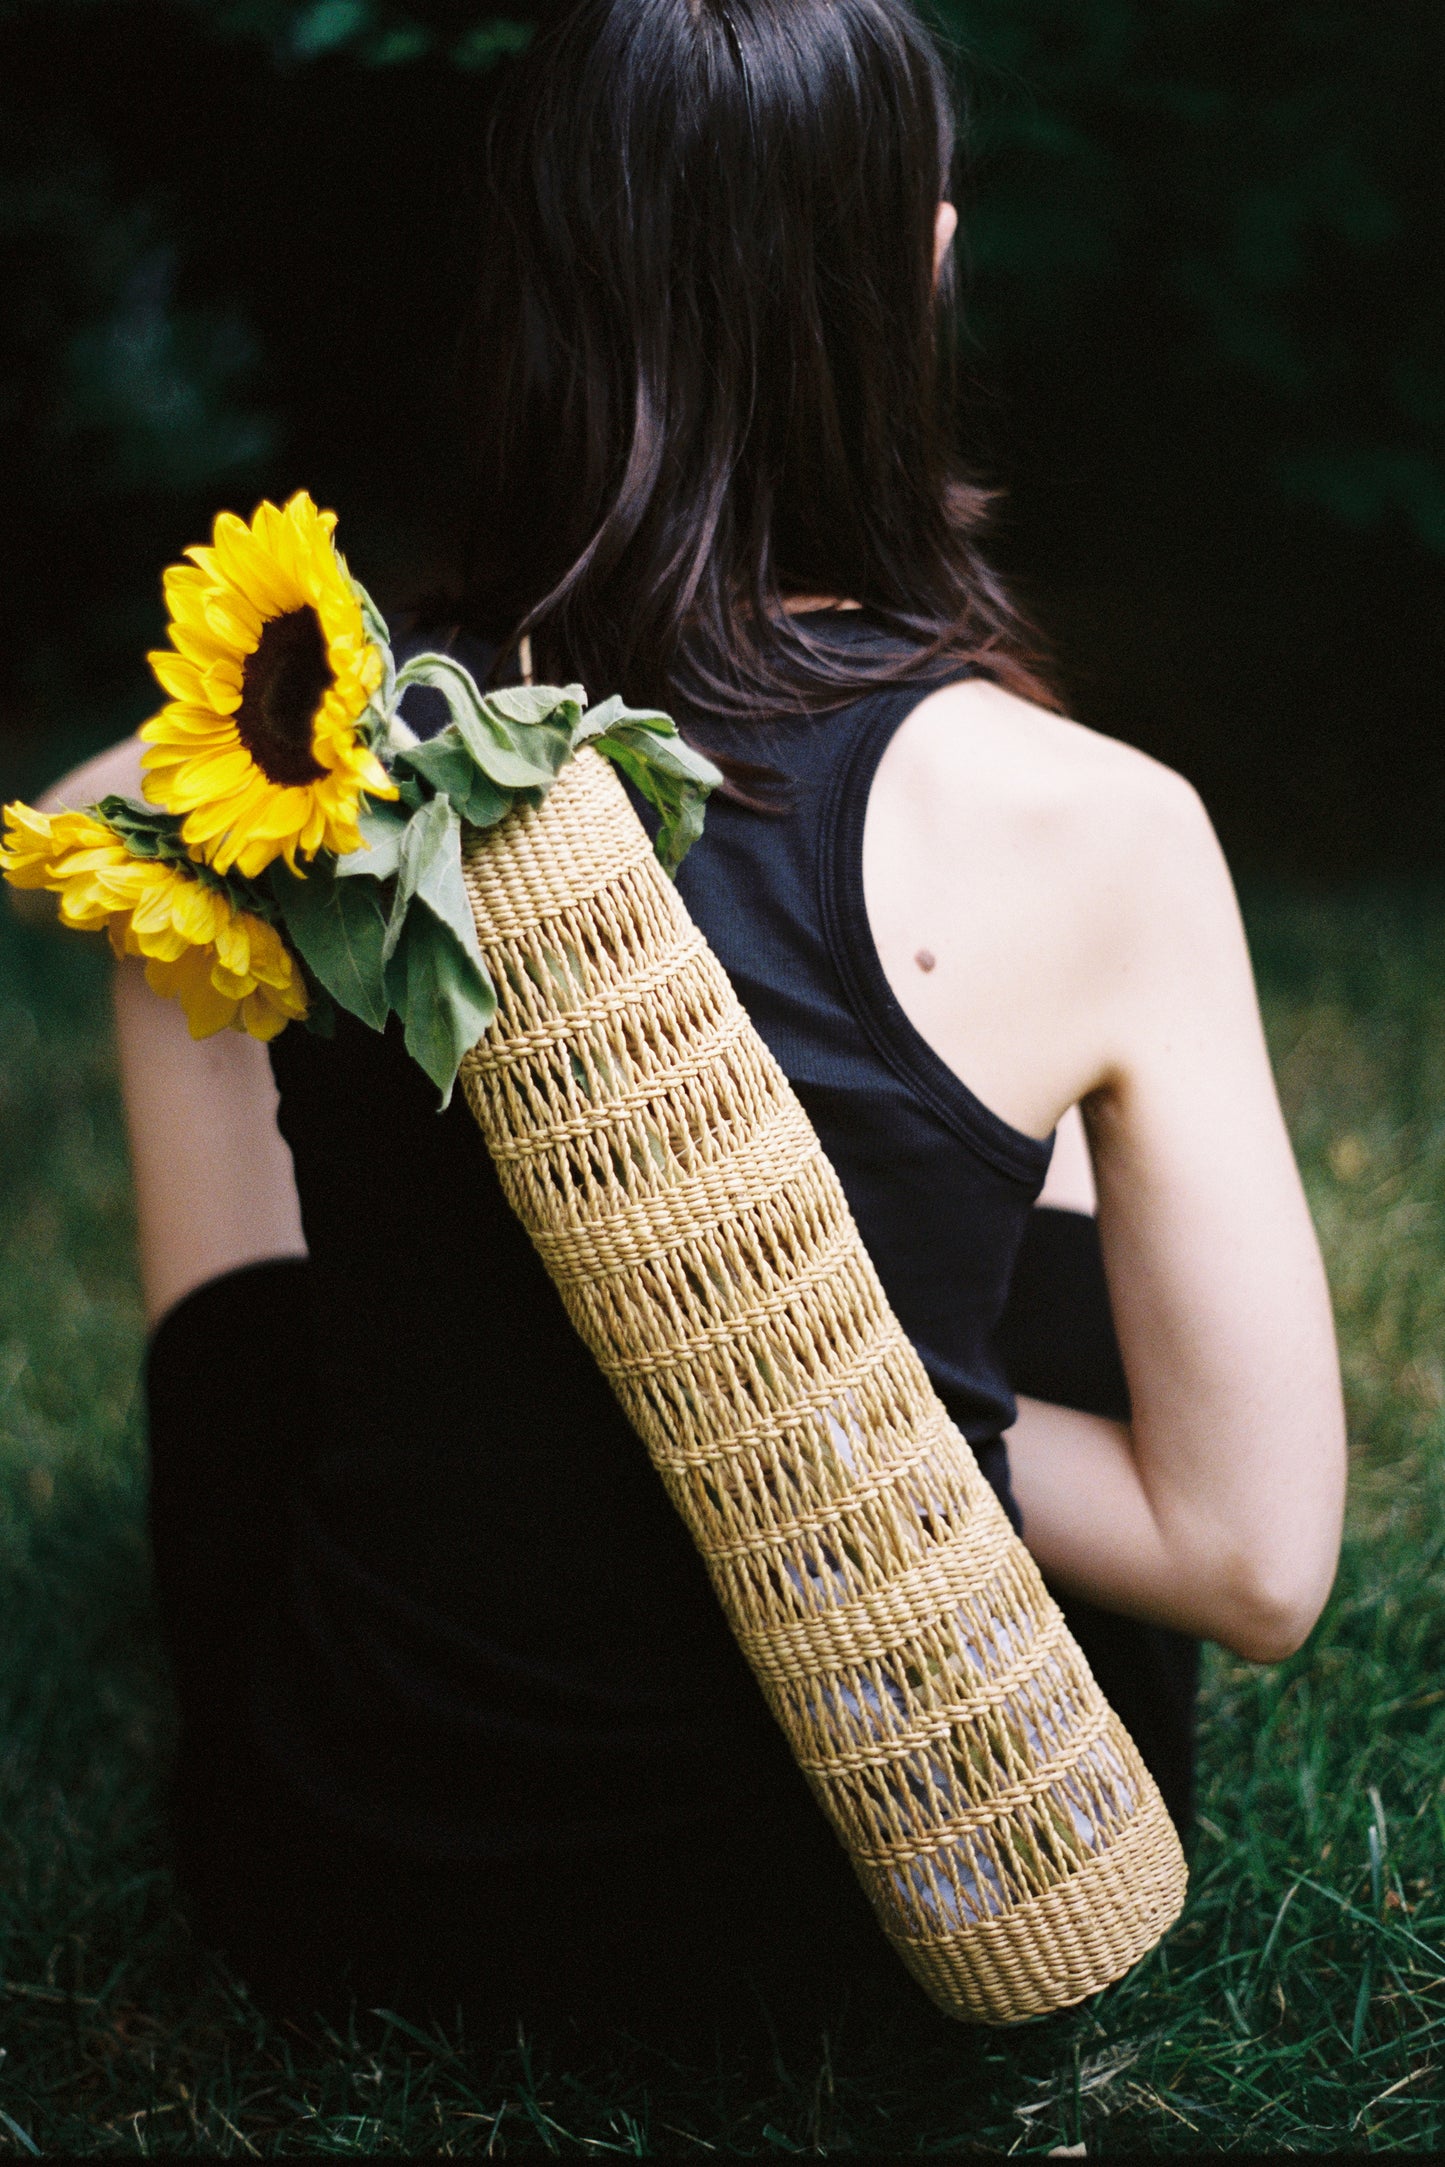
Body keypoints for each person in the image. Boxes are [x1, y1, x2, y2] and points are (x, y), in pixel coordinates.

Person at [20, 0, 1344, 2035]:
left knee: (179, 924)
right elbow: (1257, 1565)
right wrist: (854, 1386)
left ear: (528, 281)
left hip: (355, 1879)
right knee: (1047, 1120)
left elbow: (89, 813)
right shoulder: (1100, 832)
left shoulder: (316, 768)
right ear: (922, 269)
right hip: (916, 1901)